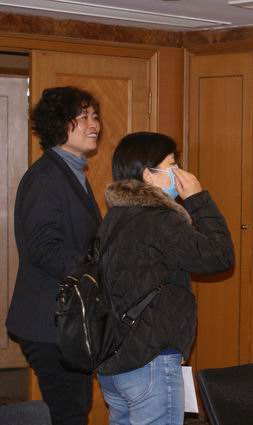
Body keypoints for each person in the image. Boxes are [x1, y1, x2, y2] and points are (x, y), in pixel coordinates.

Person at [95, 131, 234, 425]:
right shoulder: (159, 219)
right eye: (172, 164)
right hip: (149, 362)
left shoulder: (115, 217)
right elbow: (219, 256)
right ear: (149, 175)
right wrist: (197, 199)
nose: (180, 172)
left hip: (114, 360)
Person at [6, 86, 102, 425]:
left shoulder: (71, 171)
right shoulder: (46, 177)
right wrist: (98, 271)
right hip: (48, 320)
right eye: (83, 117)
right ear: (59, 123)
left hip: (65, 319)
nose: (94, 125)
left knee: (74, 408)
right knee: (70, 412)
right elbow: (46, 250)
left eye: (95, 116)